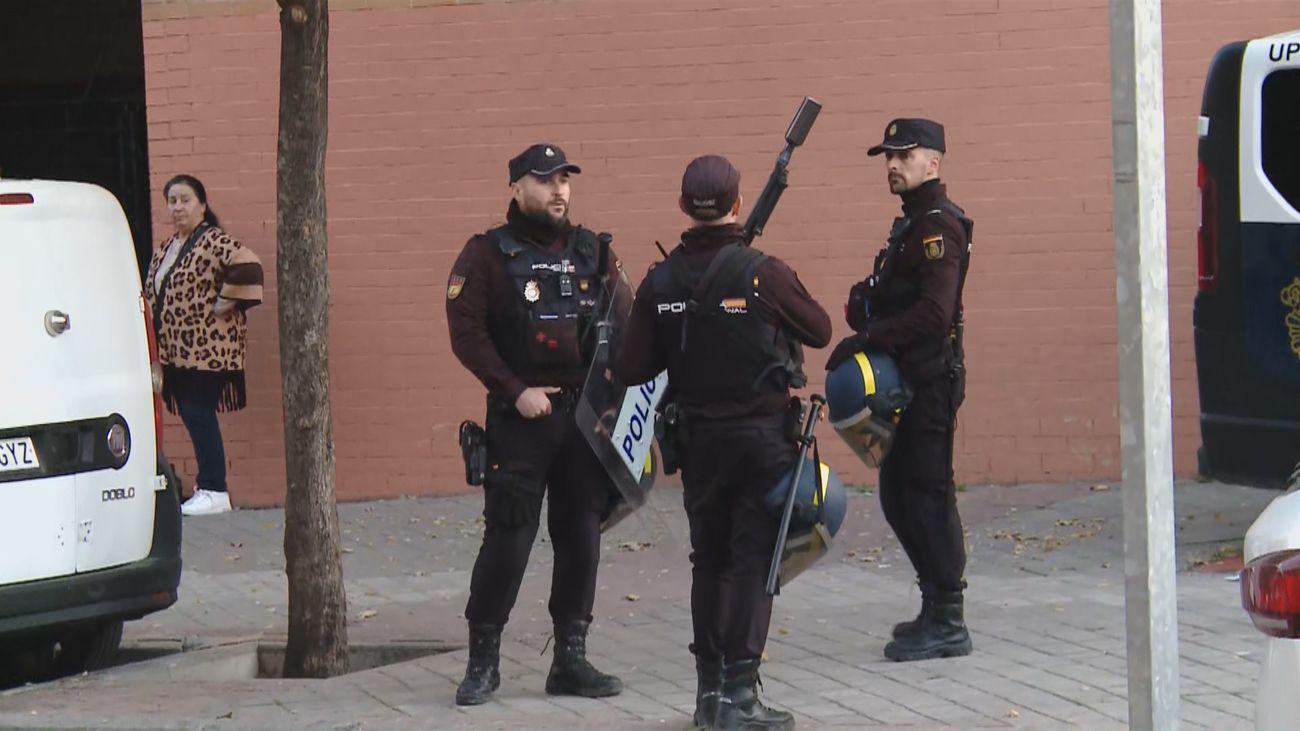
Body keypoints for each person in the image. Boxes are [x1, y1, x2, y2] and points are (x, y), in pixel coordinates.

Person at [617, 154, 831, 730]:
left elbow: (630, 367)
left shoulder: (659, 282)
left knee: (707, 560)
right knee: (752, 559)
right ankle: (741, 696)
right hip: (763, 441)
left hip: (699, 444)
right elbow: (820, 328)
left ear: (684, 206)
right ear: (737, 205)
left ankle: (709, 696)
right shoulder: (763, 272)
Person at [446, 143, 624, 706]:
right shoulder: (485, 254)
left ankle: (570, 660)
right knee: (510, 538)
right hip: (522, 419)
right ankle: (483, 663)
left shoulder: (593, 249)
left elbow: (626, 321)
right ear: (516, 188)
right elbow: (466, 331)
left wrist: (619, 400)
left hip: (582, 418)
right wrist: (514, 389)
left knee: (581, 539)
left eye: (565, 180)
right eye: (545, 180)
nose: (559, 191)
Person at [825, 118, 975, 662]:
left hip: (928, 383)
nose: (892, 165)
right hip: (903, 384)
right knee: (896, 494)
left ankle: (948, 617)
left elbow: (934, 314)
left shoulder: (939, 229)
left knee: (927, 496)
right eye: (887, 156)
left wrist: (866, 336)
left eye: (903, 156)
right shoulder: (910, 226)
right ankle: (935, 605)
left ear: (932, 163)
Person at [145, 174, 263, 518]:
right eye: (172, 201)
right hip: (177, 353)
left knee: (199, 412)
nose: (178, 207)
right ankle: (208, 487)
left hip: (208, 352)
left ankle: (215, 489)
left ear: (202, 204)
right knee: (192, 413)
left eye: (185, 200)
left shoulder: (214, 241)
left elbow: (249, 267)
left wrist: (223, 305)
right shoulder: (169, 246)